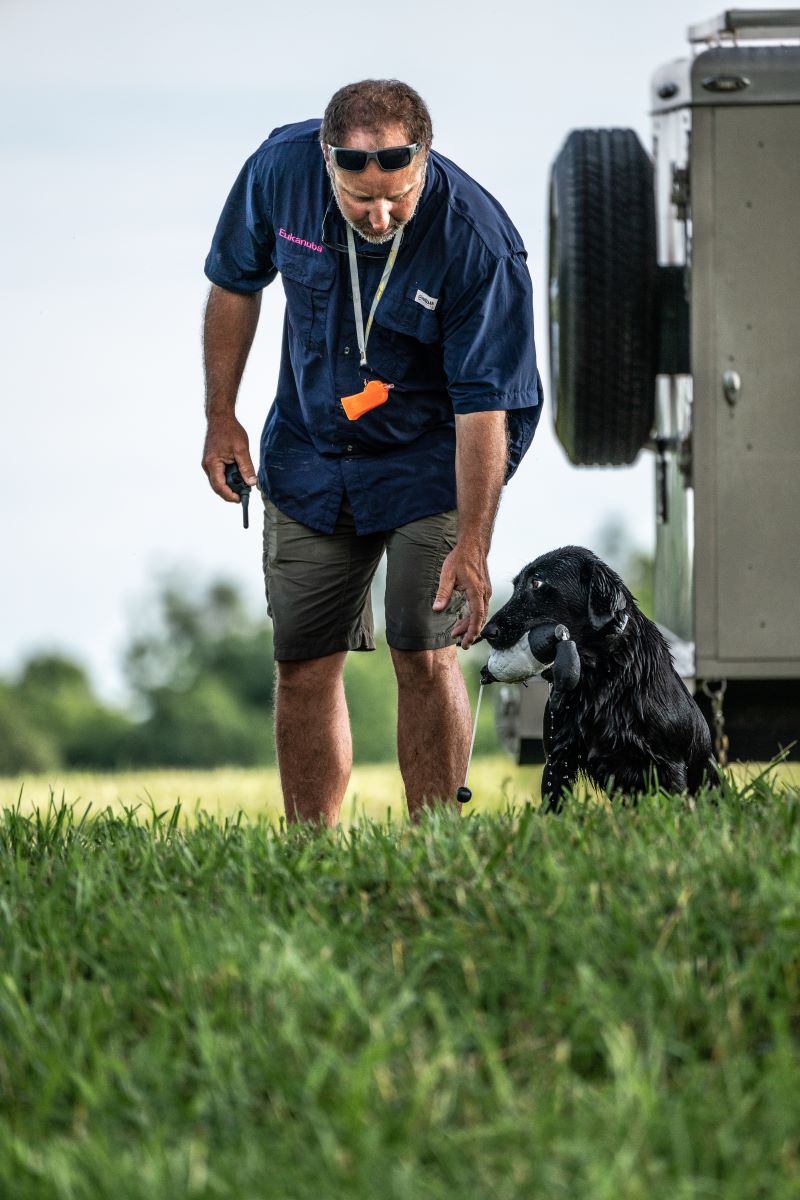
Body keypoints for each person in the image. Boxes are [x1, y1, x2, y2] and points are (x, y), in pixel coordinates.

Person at [202, 79, 542, 825]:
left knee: (422, 650)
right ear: (328, 162)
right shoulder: (278, 172)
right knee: (302, 660)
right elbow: (233, 282)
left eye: (399, 195)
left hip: (436, 455)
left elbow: (483, 406)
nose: (380, 215)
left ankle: (433, 846)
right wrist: (220, 416)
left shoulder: (477, 241)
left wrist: (475, 546)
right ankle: (308, 850)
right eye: (360, 199)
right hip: (313, 451)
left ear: (424, 159)